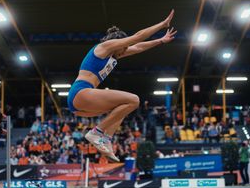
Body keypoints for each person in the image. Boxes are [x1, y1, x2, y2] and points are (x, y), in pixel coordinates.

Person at [67, 10, 176, 161]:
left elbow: (138, 47)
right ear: (117, 42)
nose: (125, 51)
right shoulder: (104, 47)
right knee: (134, 100)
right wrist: (162, 25)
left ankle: (106, 138)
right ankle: (97, 132)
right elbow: (137, 37)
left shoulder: (113, 54)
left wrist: (161, 41)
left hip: (82, 106)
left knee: (122, 108)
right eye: (124, 47)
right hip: (81, 92)